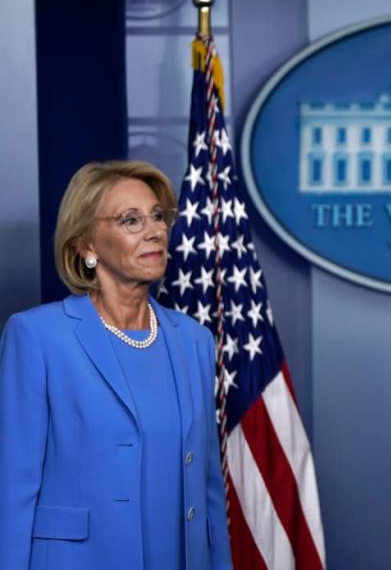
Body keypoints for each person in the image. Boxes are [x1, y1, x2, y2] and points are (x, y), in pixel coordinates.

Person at [0, 161, 232, 569]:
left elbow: (209, 488)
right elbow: (13, 491)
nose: (154, 230)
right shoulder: (37, 337)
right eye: (131, 220)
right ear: (86, 245)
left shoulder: (194, 339)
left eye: (157, 216)